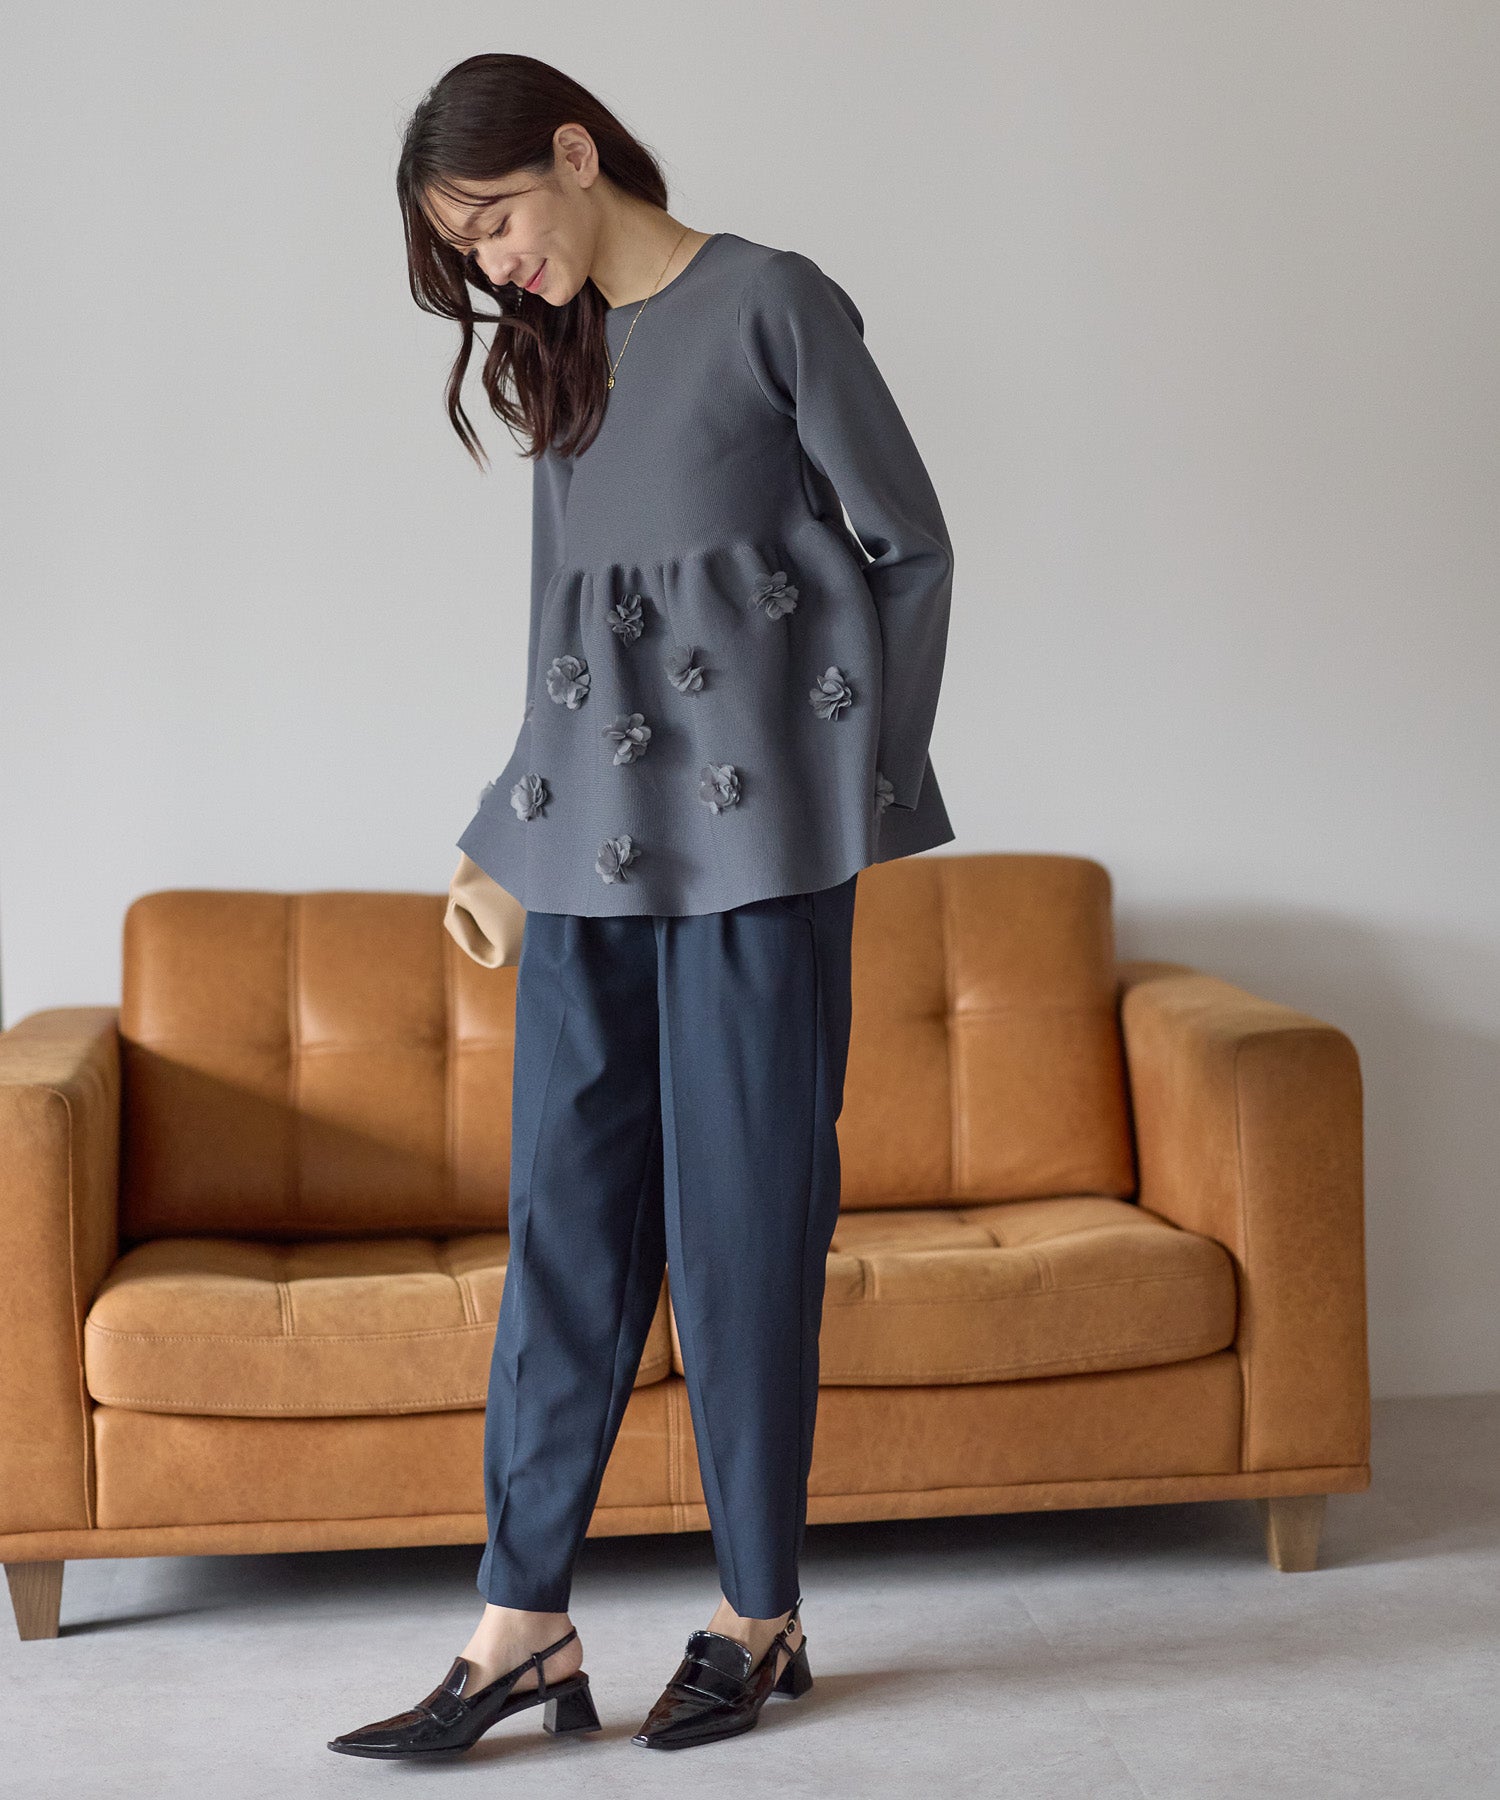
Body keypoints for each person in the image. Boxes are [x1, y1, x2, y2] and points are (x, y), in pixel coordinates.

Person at [328, 50, 955, 1761]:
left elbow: (909, 547)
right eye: (466, 252)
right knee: (566, 1221)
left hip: (764, 869)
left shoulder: (773, 303)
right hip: (585, 866)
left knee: (743, 1226)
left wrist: (857, 785)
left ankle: (759, 1611)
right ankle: (521, 1619)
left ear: (574, 151)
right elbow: (564, 631)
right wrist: (499, 840)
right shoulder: (568, 361)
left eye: (493, 223)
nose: (494, 266)